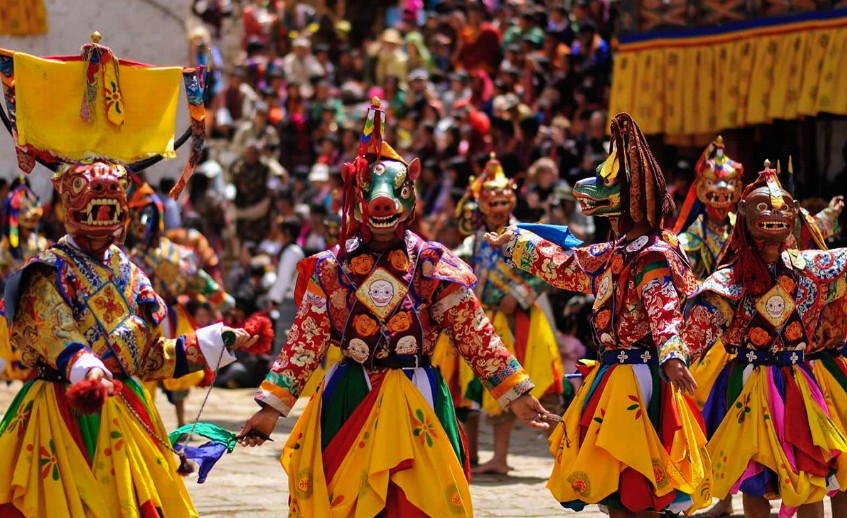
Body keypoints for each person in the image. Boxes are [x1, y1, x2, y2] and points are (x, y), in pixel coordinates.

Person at [237, 98, 554, 516]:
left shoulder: (433, 264)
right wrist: (270, 408)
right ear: (358, 194)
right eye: (372, 193)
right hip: (350, 394)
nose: (383, 204)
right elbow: (304, 340)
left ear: (411, 195)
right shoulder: (331, 268)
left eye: (395, 193)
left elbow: (475, 332)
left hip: (418, 392)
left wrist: (516, 393)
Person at [0, 163, 258, 517]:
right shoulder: (47, 271)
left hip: (126, 409)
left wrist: (214, 342)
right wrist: (85, 366)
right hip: (62, 407)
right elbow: (53, 331)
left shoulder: (131, 273)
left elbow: (150, 357)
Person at [487, 113, 711, 516]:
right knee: (615, 488)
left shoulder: (651, 255)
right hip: (613, 375)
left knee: (640, 485)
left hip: (641, 376)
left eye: (610, 187)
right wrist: (515, 242)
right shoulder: (615, 252)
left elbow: (665, 309)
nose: (596, 193)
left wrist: (673, 354)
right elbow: (566, 265)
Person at [684, 162, 847, 518]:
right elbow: (696, 330)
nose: (773, 215)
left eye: (781, 209)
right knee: (751, 472)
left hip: (797, 381)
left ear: (793, 216)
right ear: (744, 217)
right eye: (762, 209)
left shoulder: (811, 270)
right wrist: (672, 358)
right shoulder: (729, 280)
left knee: (808, 470)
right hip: (746, 383)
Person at [437, 153, 563, 474]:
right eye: (489, 199)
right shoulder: (474, 242)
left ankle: (503, 457)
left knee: (513, 384)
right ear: (479, 203)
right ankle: (471, 454)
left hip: (516, 320)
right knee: (468, 389)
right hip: (478, 318)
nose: (496, 205)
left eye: (501, 199)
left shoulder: (524, 235)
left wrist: (518, 294)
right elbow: (456, 267)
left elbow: (548, 268)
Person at [125, 182, 235, 427]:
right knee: (144, 375)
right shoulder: (130, 258)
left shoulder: (174, 252)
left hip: (172, 315)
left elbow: (198, 279)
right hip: (143, 319)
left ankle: (182, 423)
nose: (143, 223)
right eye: (138, 217)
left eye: (148, 216)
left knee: (178, 372)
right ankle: (143, 423)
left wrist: (222, 299)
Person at [0, 180, 50, 382]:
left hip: (36, 307)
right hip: (7, 310)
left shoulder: (41, 244)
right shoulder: (3, 248)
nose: (29, 226)